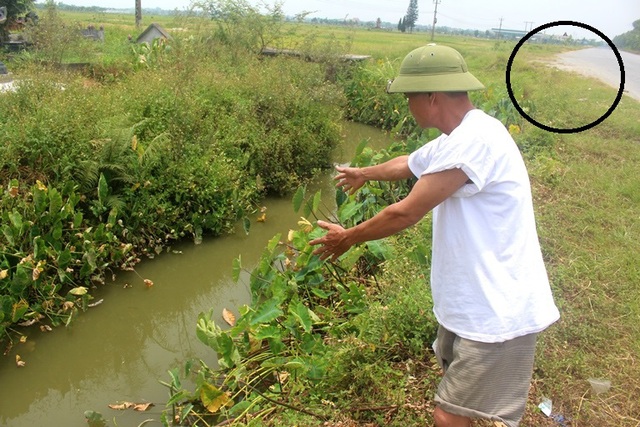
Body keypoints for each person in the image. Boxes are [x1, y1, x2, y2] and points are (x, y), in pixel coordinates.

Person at [309, 44, 560, 427]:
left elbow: (406, 210)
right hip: (473, 301)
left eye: (409, 96)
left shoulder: (473, 142)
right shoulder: (461, 135)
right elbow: (409, 163)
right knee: (461, 401)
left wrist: (348, 237)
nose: (408, 104)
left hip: (497, 311)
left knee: (448, 416)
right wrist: (363, 173)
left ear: (431, 97)